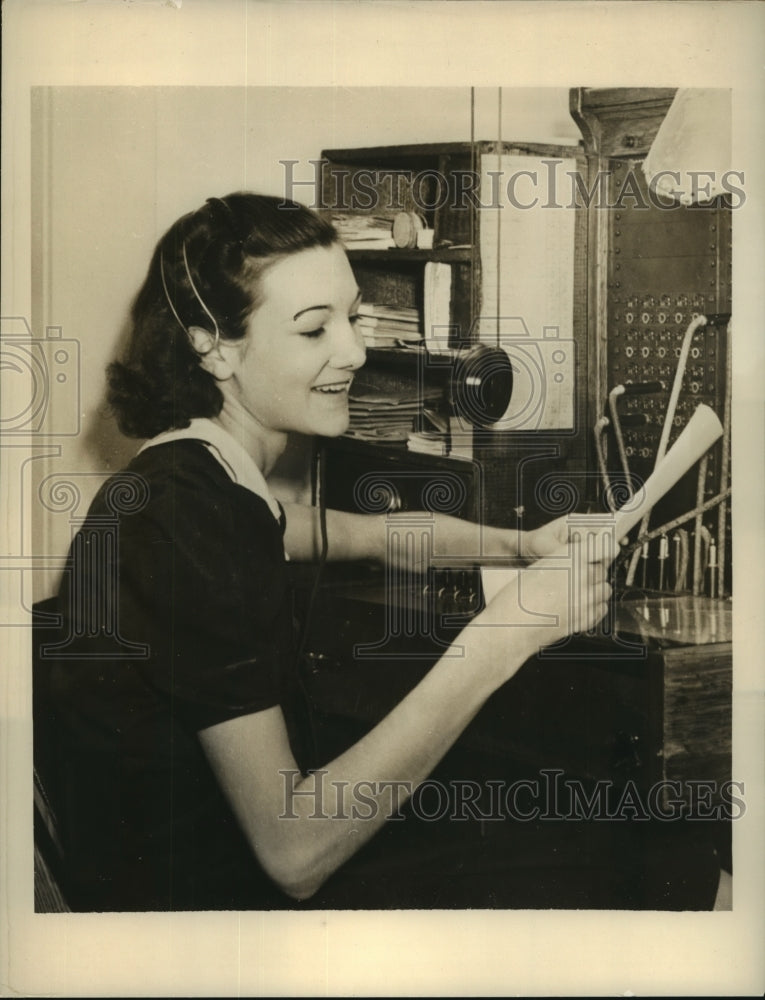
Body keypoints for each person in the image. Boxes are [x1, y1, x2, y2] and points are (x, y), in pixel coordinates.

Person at [40, 193, 722, 912]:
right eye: (313, 330)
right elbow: (294, 855)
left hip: (208, 868)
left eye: (353, 317)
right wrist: (505, 635)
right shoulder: (185, 516)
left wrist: (519, 544)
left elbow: (366, 533)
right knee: (641, 845)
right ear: (214, 345)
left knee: (579, 820)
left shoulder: (193, 478)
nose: (356, 352)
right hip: (212, 915)